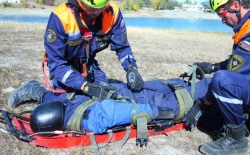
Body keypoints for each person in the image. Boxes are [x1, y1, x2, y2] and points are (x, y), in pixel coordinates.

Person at [8, 68, 211, 135]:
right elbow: (118, 112)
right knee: (184, 98)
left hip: (125, 92)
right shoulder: (90, 118)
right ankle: (222, 86)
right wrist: (159, 113)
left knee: (173, 86)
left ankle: (33, 89)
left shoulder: (67, 106)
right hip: (139, 96)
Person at [43, 0, 144, 95]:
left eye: (101, 7)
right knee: (69, 102)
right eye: (91, 7)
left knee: (105, 94)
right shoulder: (61, 18)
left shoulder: (113, 14)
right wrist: (85, 86)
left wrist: (131, 68)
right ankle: (35, 91)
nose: (96, 12)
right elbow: (56, 65)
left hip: (89, 65)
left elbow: (122, 47)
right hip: (65, 68)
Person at [195, 0, 250, 155]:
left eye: (222, 13)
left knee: (223, 81)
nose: (222, 20)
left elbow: (231, 75)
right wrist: (213, 67)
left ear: (236, 6)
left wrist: (202, 103)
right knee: (211, 122)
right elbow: (242, 62)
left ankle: (236, 143)